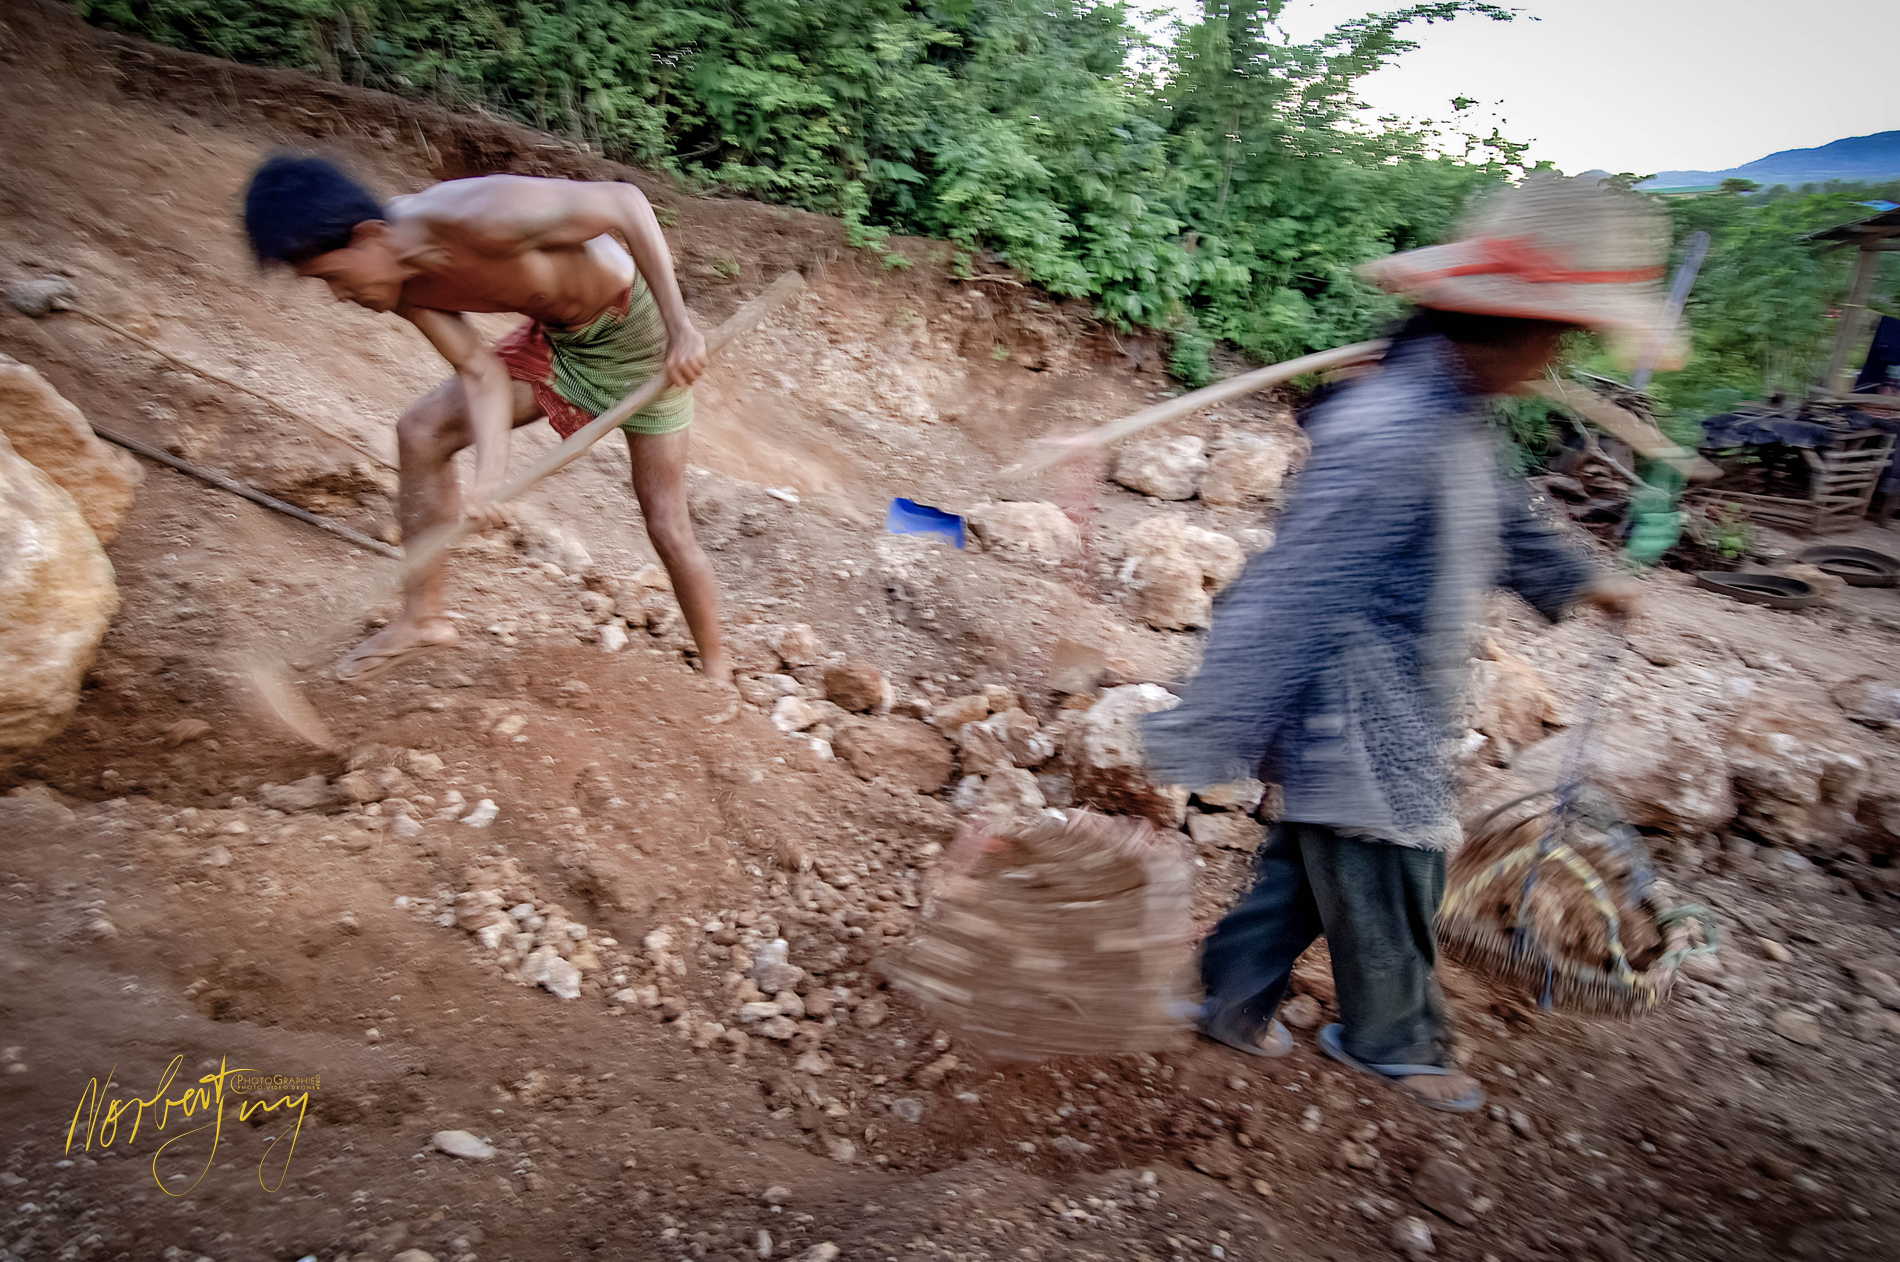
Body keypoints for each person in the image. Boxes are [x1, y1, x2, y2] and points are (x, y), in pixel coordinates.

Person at [1141, 173, 1667, 1112]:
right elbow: (1294, 587)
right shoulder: (1390, 430)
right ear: (1511, 330)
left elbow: (1503, 519)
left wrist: (1585, 580)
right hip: (1358, 703)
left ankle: (1227, 999)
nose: (1554, 361)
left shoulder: (1448, 415)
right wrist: (1207, 724)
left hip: (1393, 690)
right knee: (1393, 864)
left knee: (1315, 861)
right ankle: (1395, 1040)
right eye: (1556, 340)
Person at [241, 153, 727, 684]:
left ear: (369, 235)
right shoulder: (398, 281)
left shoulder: (480, 215)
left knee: (666, 521)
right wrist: (488, 481)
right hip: (560, 341)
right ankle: (422, 619)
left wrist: (682, 328)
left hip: (643, 342)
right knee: (422, 431)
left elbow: (625, 202)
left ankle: (717, 674)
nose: (339, 295)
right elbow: (479, 372)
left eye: (334, 277)